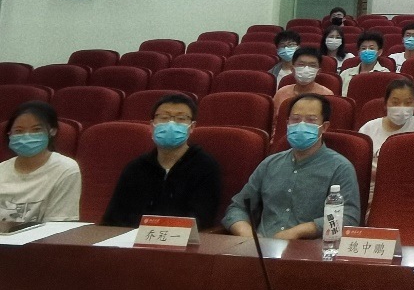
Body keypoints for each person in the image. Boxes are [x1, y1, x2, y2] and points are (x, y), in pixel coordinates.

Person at [224, 94, 360, 239]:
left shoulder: (340, 168)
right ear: (287, 123)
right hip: (262, 246)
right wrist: (247, 234)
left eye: (311, 120)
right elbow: (237, 207)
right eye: (295, 119)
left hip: (309, 249)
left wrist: (302, 230)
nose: (301, 125)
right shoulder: (270, 164)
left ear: (324, 127)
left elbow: (348, 218)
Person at [102, 94, 222, 230]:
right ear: (152, 125)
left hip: (181, 239)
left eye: (180, 119)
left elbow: (202, 220)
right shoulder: (136, 168)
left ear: (192, 127)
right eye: (164, 118)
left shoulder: (205, 167)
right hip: (130, 238)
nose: (171, 124)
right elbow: (113, 217)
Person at [0, 101, 80, 222]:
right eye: (19, 131)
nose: (27, 136)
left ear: (52, 131)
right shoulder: (2, 169)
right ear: (9, 134)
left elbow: (59, 225)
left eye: (36, 130)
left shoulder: (66, 169)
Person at [358, 78, 414, 161]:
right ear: (385, 103)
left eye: (408, 103)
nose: (401, 107)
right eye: (395, 102)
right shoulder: (368, 129)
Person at [274, 47, 333, 112]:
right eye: (301, 64)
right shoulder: (281, 93)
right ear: (292, 69)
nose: (306, 69)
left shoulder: (327, 95)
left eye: (312, 65)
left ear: (318, 71)